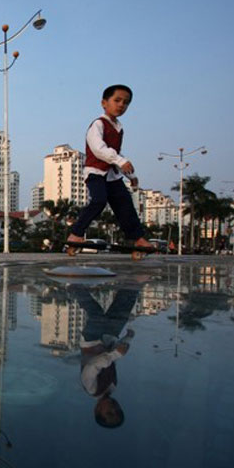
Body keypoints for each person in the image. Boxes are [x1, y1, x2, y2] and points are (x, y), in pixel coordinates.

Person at [66, 85, 152, 253]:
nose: (121, 105)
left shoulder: (118, 128)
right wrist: (120, 161)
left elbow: (116, 153)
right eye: (117, 100)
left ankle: (138, 239)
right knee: (99, 200)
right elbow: (99, 148)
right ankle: (75, 234)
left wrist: (131, 175)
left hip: (112, 176)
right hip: (95, 172)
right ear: (104, 103)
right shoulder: (98, 124)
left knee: (125, 205)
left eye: (126, 103)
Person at [70, 285, 139, 428]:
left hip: (92, 341)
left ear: (97, 410)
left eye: (110, 413)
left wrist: (116, 354)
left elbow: (93, 365)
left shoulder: (91, 388)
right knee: (122, 310)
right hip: (109, 338)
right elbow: (111, 357)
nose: (114, 408)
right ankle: (132, 283)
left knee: (97, 315)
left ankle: (74, 287)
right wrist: (127, 339)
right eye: (118, 411)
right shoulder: (112, 386)